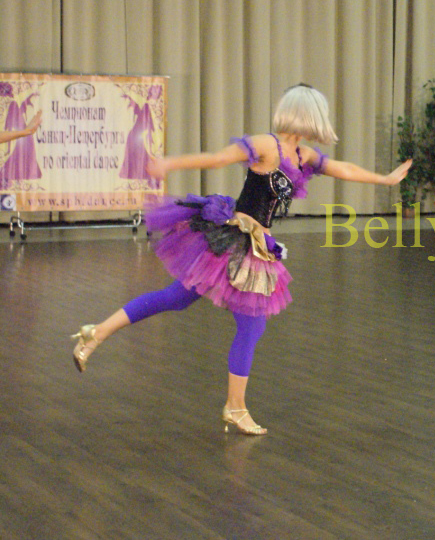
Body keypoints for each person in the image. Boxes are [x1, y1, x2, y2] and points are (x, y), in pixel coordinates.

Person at [69, 84, 411, 435]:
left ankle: (96, 332)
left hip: (257, 245)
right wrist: (170, 163)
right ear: (307, 115)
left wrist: (384, 180)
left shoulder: (302, 155)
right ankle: (234, 406)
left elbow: (345, 168)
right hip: (234, 241)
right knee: (244, 322)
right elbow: (219, 158)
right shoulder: (267, 145)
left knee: (181, 300)